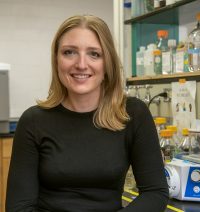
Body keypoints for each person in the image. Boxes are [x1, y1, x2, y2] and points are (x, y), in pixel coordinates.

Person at [6, 15, 169, 212]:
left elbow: (155, 193)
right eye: (69, 52)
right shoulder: (33, 121)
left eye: (94, 54)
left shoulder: (133, 114)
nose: (81, 64)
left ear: (107, 63)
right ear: (56, 59)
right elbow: (19, 207)